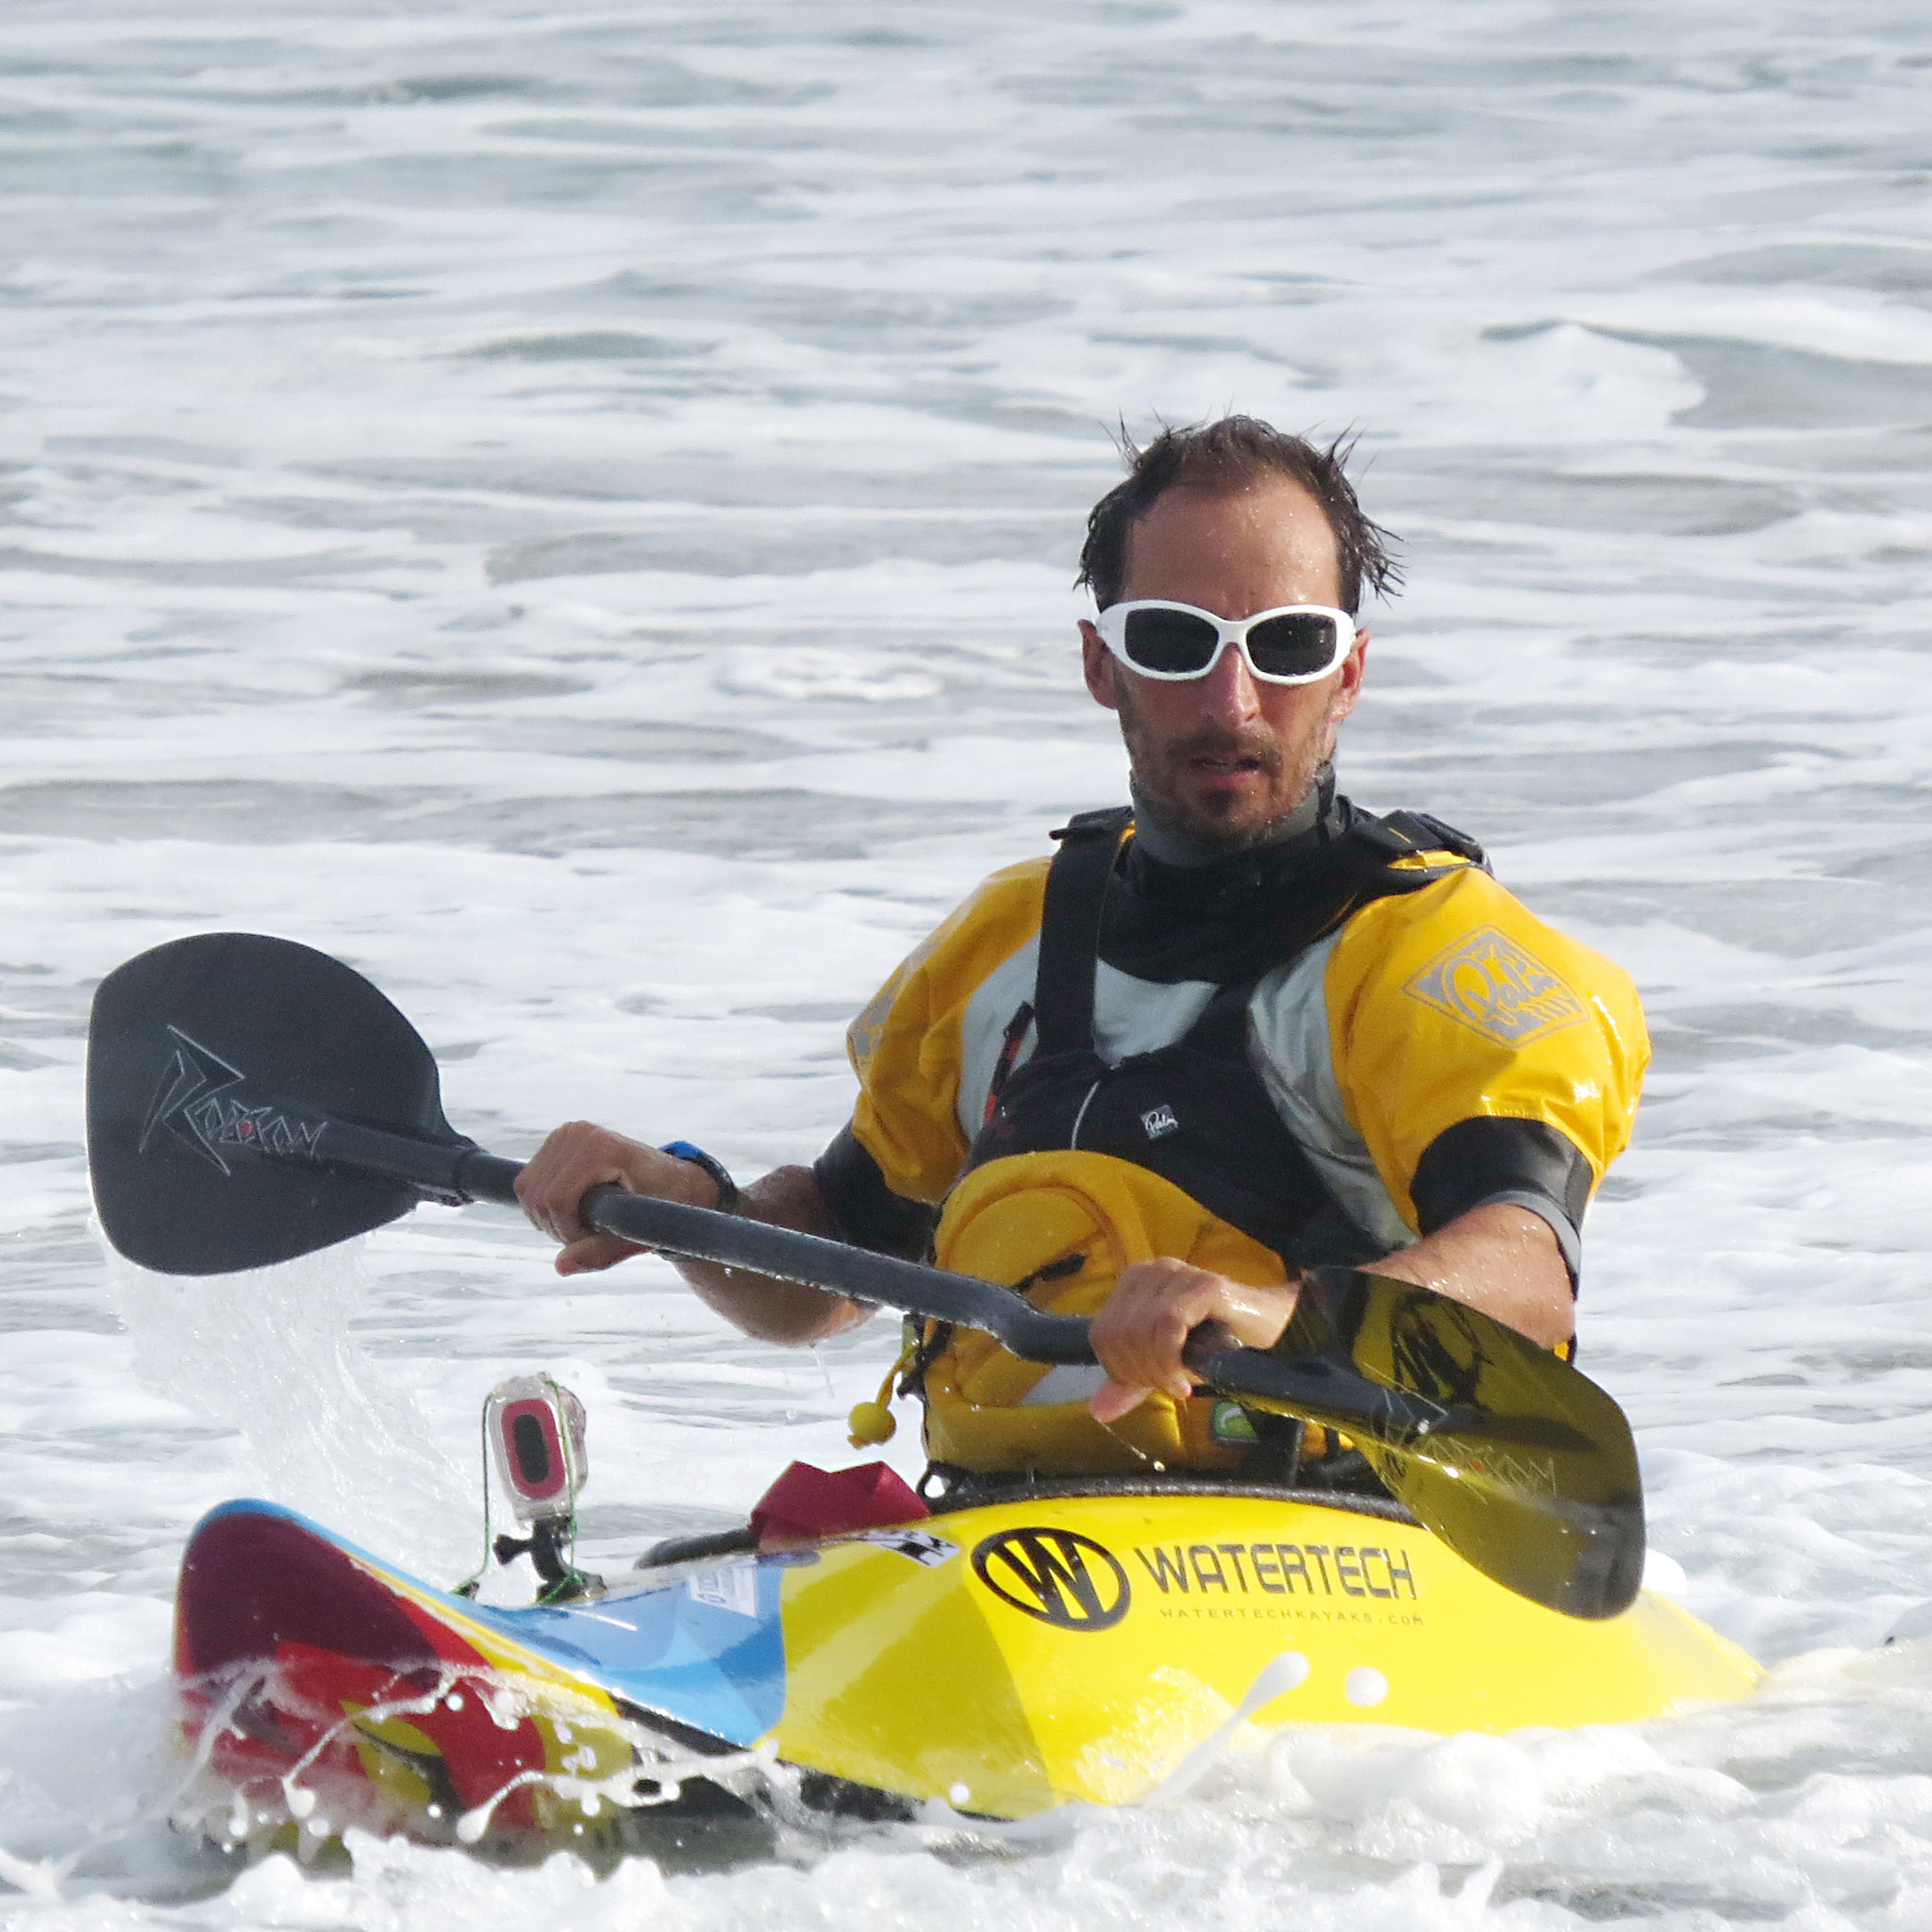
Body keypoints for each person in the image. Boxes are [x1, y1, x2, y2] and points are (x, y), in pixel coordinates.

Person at [517, 417, 1647, 1484]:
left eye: (1286, 644)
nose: (1231, 698)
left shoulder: (1431, 956)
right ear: (1100, 664)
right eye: (1173, 641)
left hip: (1349, 1538)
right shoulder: (1004, 941)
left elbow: (1523, 1275)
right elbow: (824, 1274)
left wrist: (1265, 1313)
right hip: (1013, 1533)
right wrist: (682, 1204)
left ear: (1347, 673)